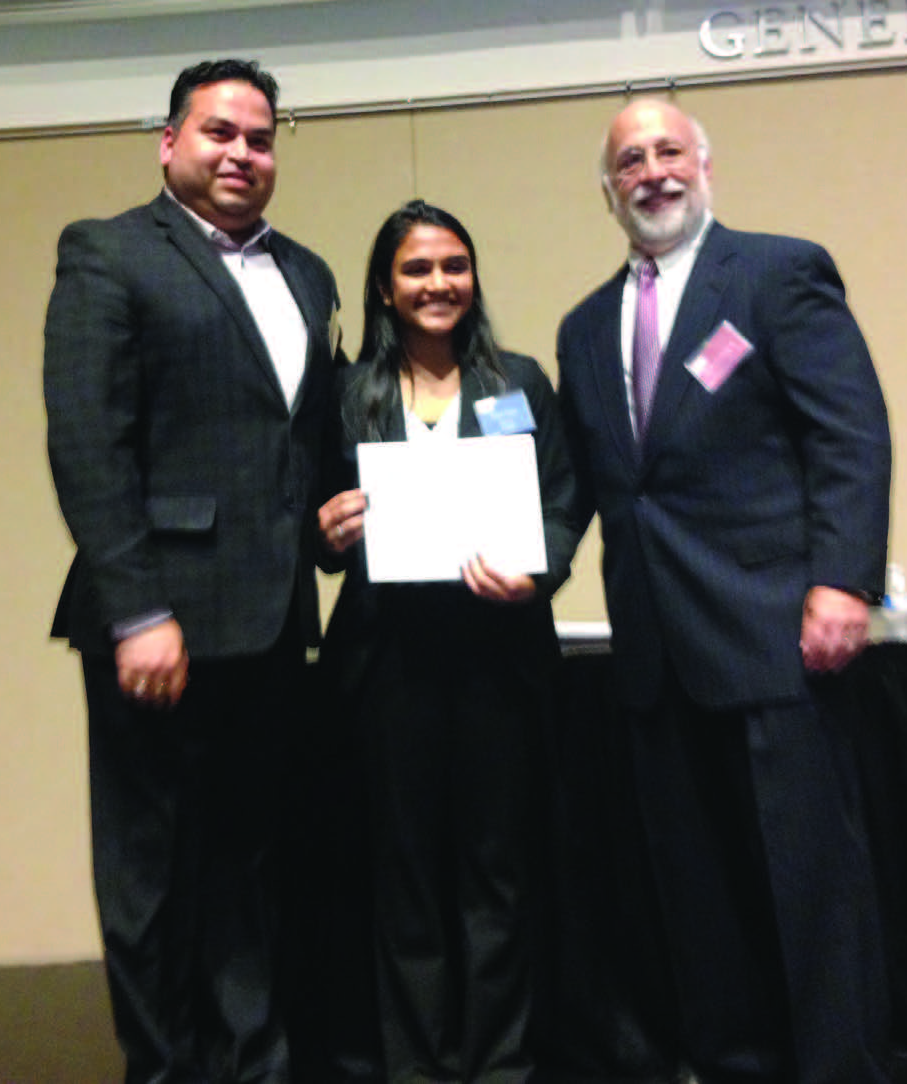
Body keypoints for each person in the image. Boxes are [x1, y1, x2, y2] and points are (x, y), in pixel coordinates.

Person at [555, 99, 893, 1083]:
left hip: (775, 634)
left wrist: (842, 578)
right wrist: (522, 562)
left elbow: (849, 433)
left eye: (668, 151)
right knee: (699, 898)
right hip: (657, 657)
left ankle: (839, 1069)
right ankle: (737, 1064)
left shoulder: (780, 273)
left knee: (813, 888)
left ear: (704, 165)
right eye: (630, 160)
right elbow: (582, 482)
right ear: (607, 190)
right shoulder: (585, 327)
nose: (652, 171)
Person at [43, 58, 342, 1084]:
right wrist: (136, 610)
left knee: (251, 867)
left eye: (259, 138)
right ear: (168, 142)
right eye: (218, 133)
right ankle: (162, 1071)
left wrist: (327, 527)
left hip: (268, 622)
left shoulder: (309, 273)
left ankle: (253, 1064)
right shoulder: (110, 254)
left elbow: (291, 443)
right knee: (152, 879)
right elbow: (88, 443)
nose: (241, 154)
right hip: (158, 627)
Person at [317, 200, 581, 1084]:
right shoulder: (345, 395)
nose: (438, 283)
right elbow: (308, 522)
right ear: (385, 290)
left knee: (496, 876)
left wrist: (537, 572)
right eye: (417, 270)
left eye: (453, 266)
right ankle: (419, 1065)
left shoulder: (519, 382)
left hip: (498, 665)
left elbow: (562, 500)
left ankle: (502, 1062)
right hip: (387, 668)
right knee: (407, 880)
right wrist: (327, 530)